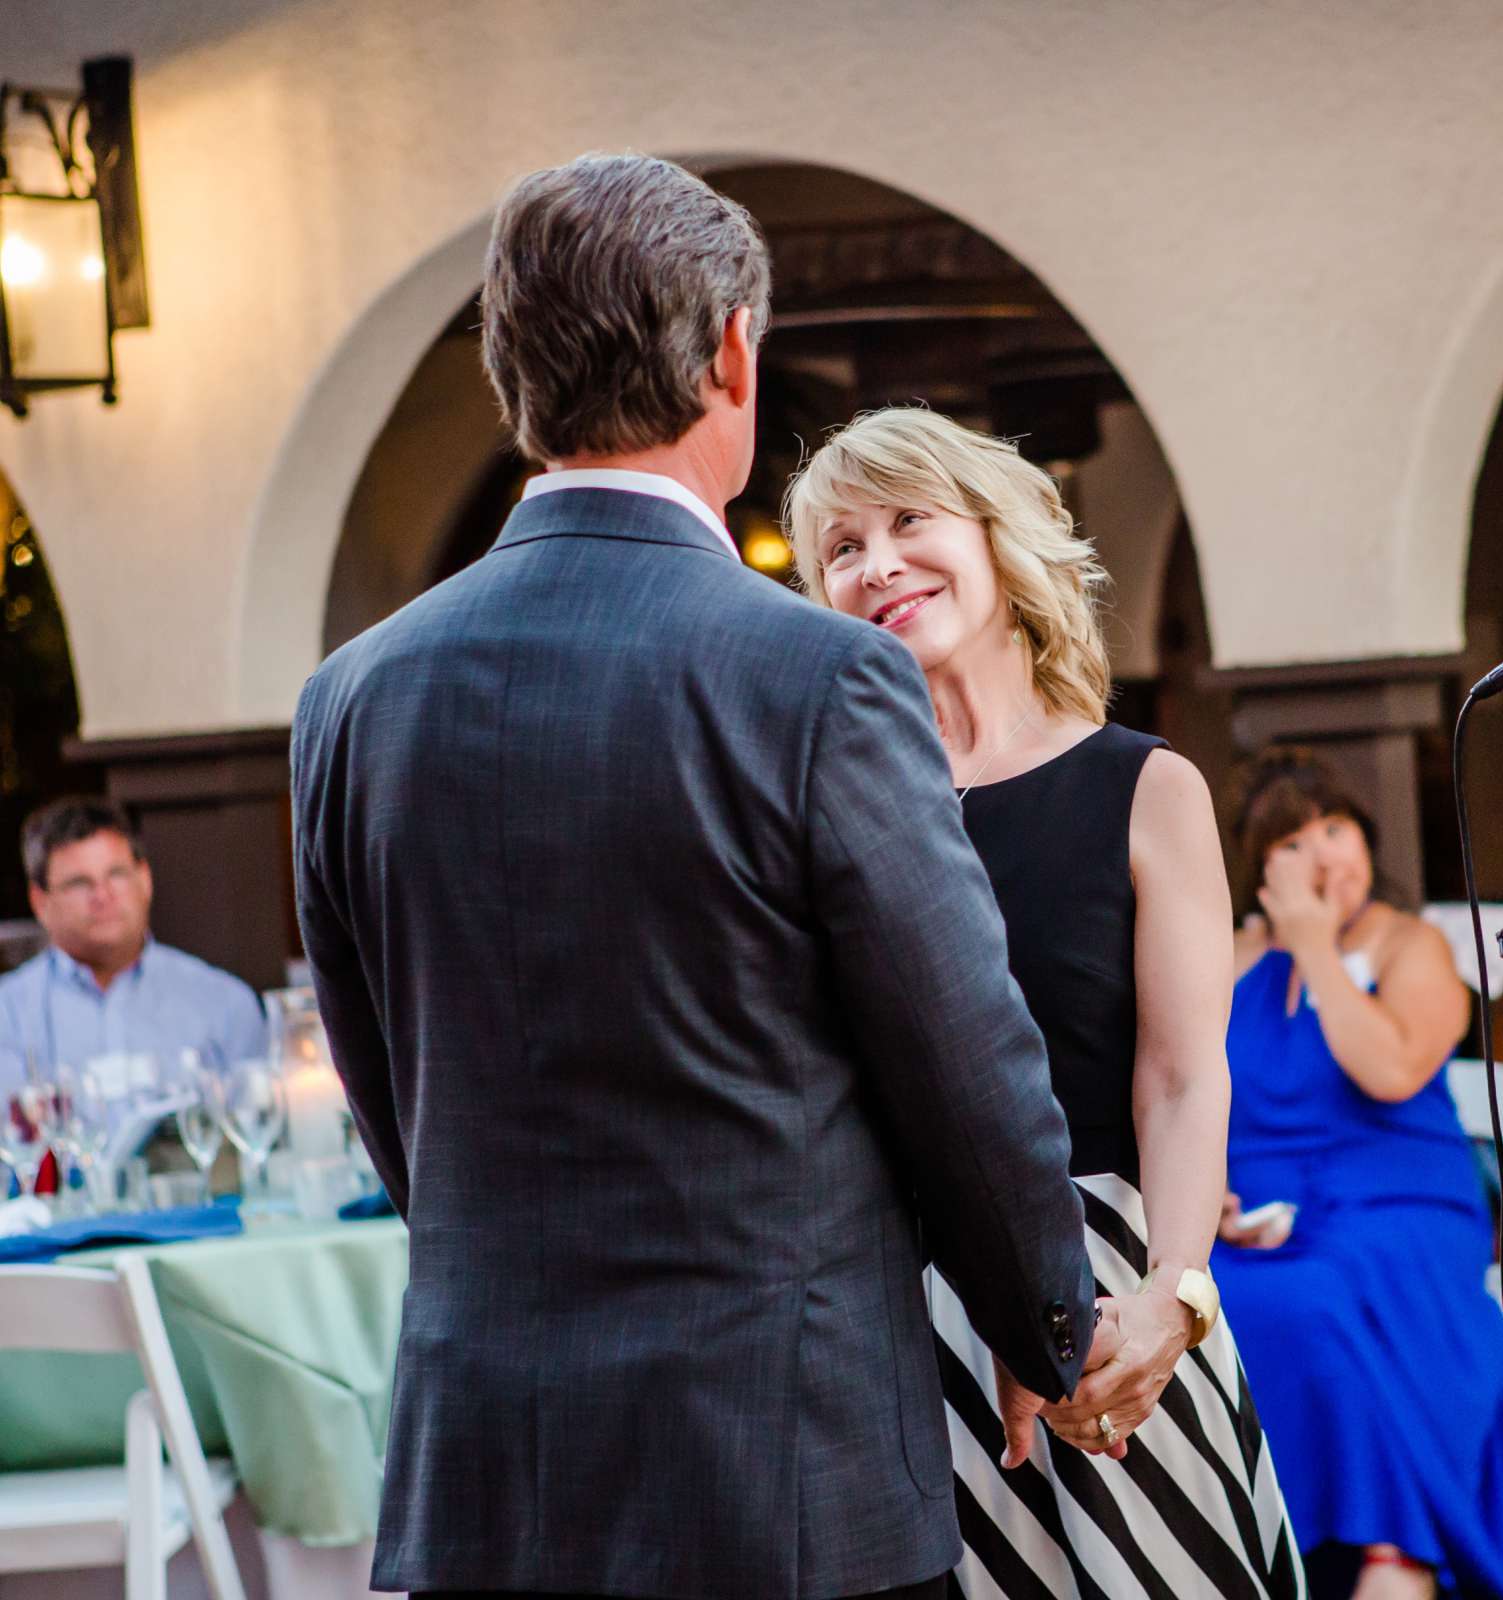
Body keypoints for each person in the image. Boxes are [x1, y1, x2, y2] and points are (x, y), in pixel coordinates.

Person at [290, 156, 1108, 1600]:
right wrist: (1047, 1325)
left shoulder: (354, 698)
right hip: (781, 1480)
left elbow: (390, 1104)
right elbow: (960, 1057)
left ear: (510, 374)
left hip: (488, 1481)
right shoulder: (819, 677)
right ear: (732, 351)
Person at [789, 405, 1301, 1600]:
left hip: (1114, 1299)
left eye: (908, 519)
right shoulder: (819, 808)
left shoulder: (1146, 787)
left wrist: (1173, 1299)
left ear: (998, 535)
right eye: (842, 549)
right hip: (893, 1321)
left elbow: (1181, 1075)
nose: (877, 565)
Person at [1212, 753, 1503, 1600]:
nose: (1326, 855)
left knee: (1329, 1294)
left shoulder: (1412, 945)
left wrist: (1316, 950)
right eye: (1296, 841)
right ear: (1261, 867)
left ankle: (1390, 1549)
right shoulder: (1226, 957)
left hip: (1399, 1204)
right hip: (1257, 1216)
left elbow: (1390, 1072)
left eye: (1337, 828)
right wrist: (1207, 1200)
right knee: (1221, 1302)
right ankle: (1267, 1550)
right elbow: (1184, 1092)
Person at [0, 796, 266, 1098]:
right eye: (79, 883)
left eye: (116, 874)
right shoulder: (8, 1016)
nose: (102, 895)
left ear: (145, 879)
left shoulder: (226, 1004)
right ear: (40, 901)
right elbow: (13, 1138)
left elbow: (256, 1129)